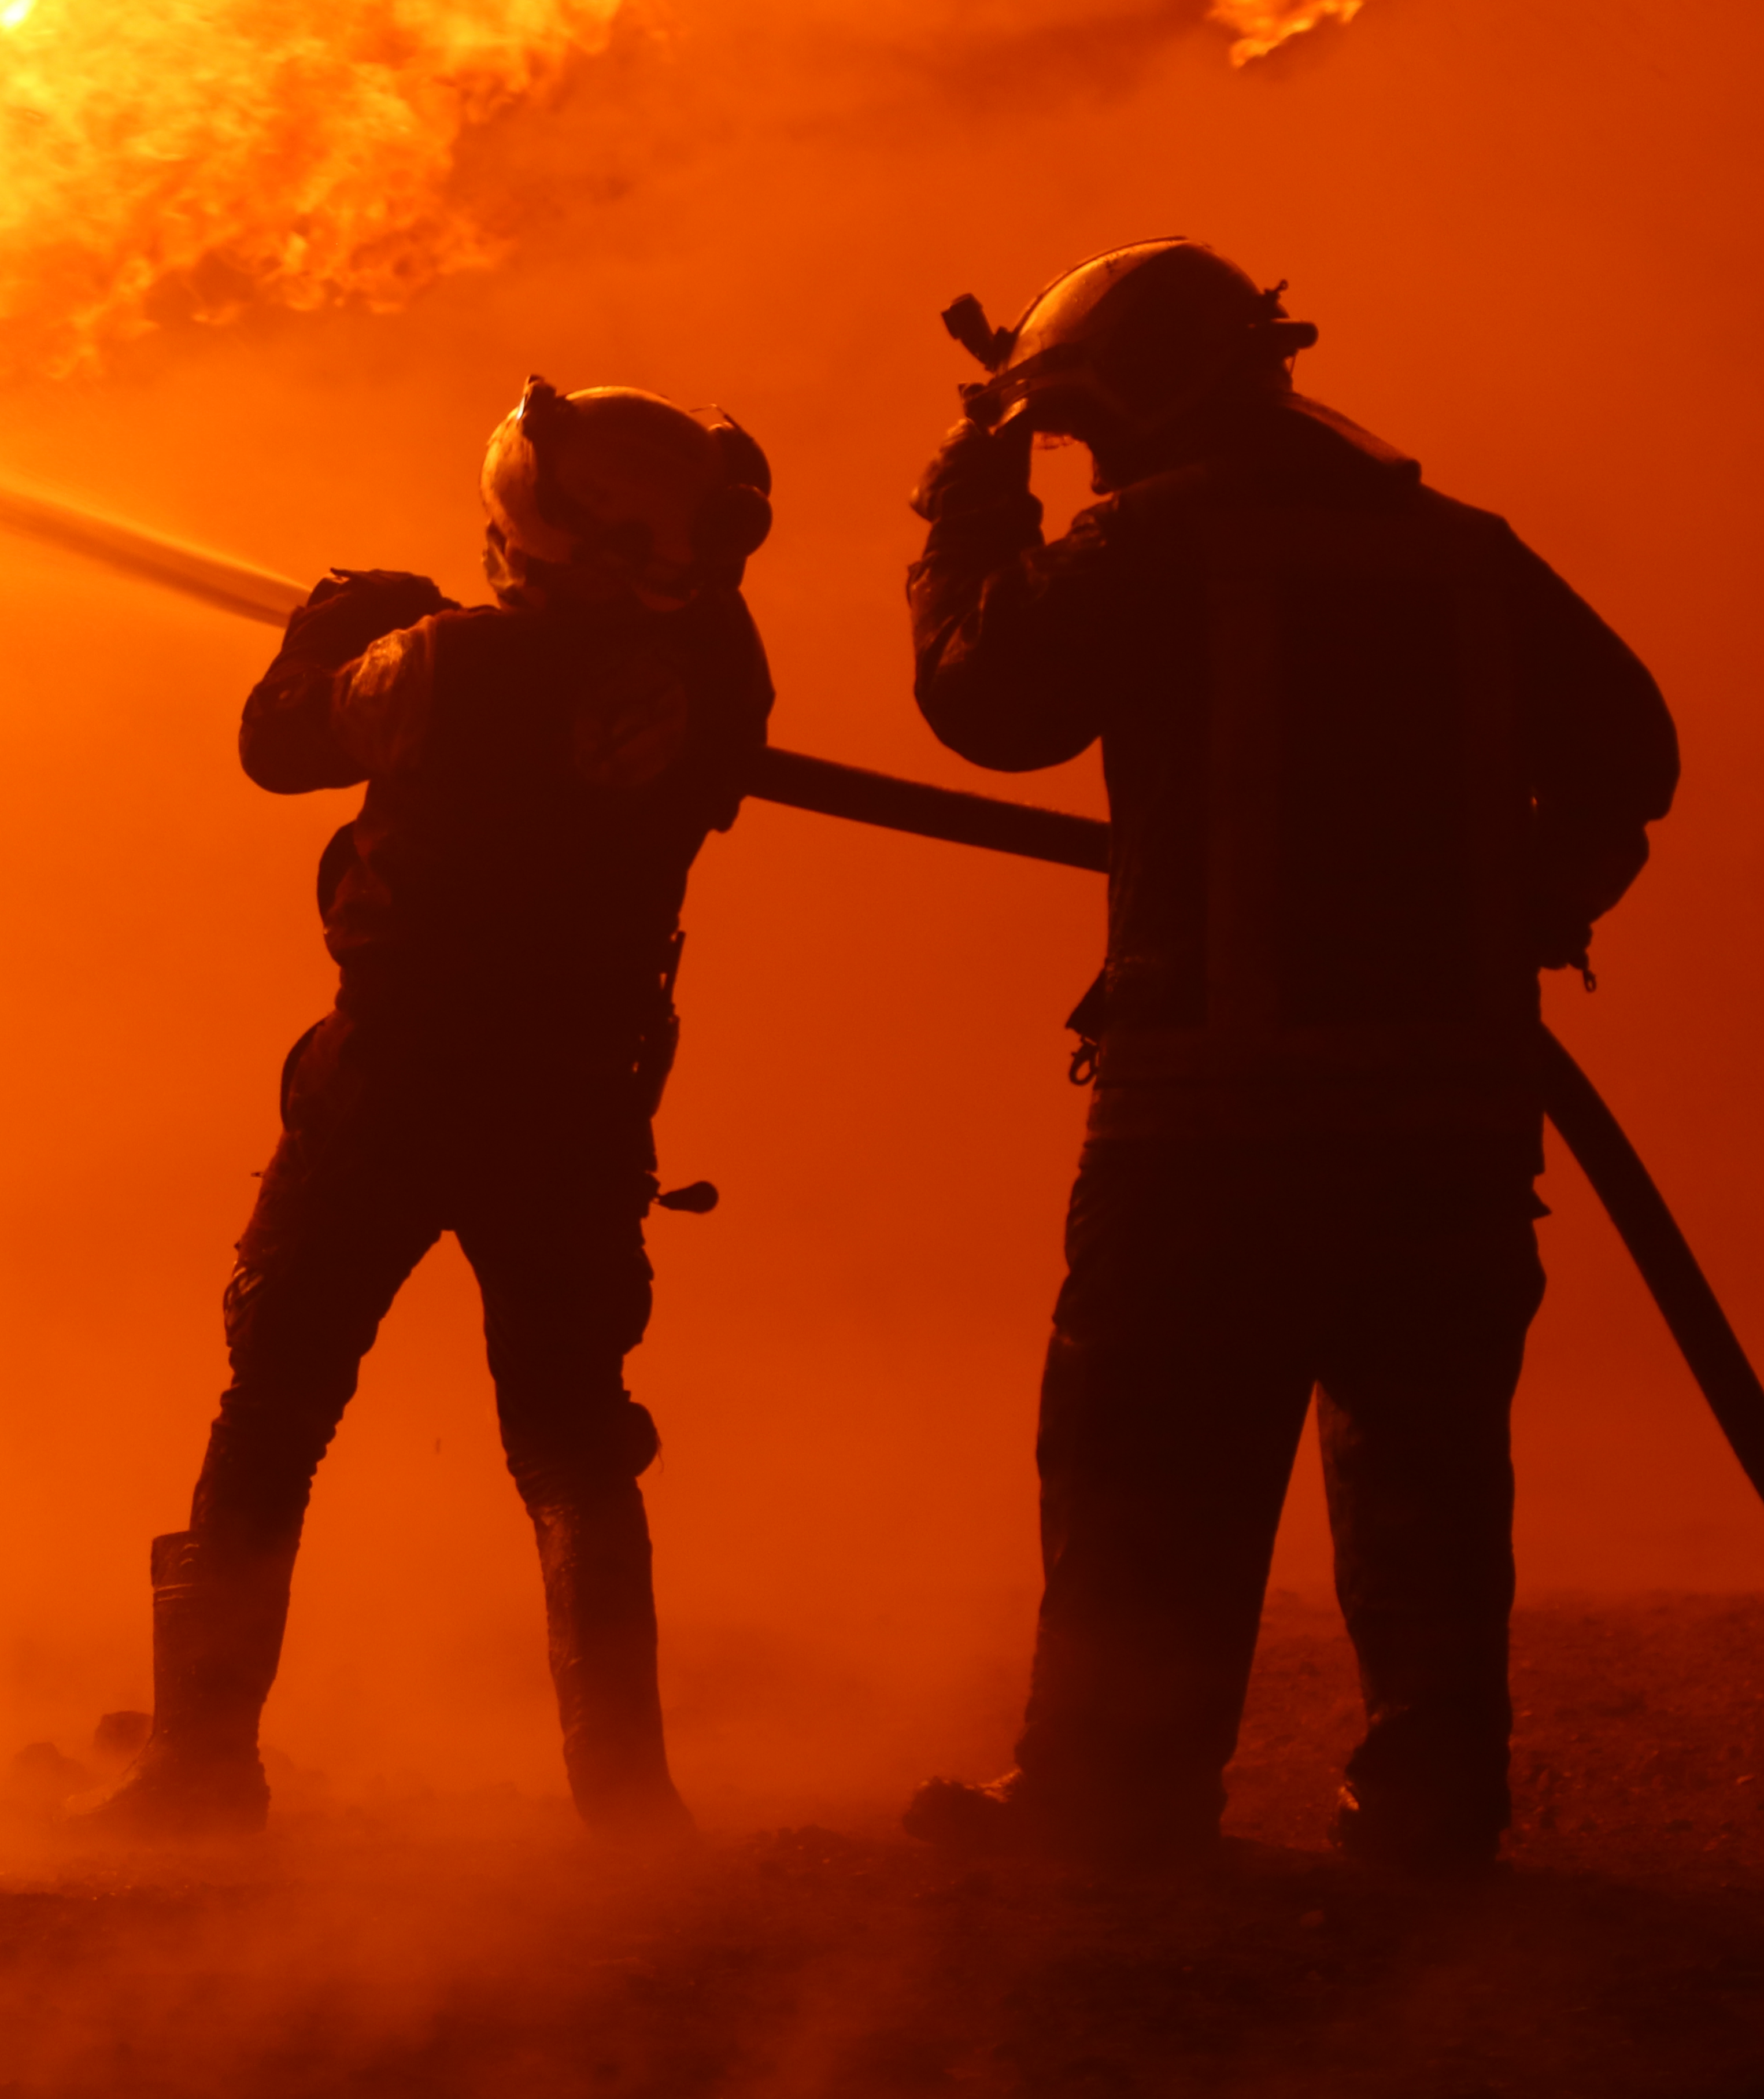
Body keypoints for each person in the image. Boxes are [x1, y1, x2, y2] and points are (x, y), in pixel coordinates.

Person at [901, 240, 1680, 1875]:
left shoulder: (1147, 544)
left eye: (1079, 427)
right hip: (1453, 1115)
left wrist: (969, 513)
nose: (1084, 462)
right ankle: (1429, 1804)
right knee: (1426, 1465)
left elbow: (988, 703)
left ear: (1141, 399)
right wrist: (1530, 901)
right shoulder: (1464, 552)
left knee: (1147, 1459)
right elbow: (1632, 750)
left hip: (1210, 1122)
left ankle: (1111, 1802)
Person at [89, 377, 777, 1838]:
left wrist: (337, 625)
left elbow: (278, 741)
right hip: (582, 1100)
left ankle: (201, 1766)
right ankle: (627, 1799)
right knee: (573, 1436)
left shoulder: (443, 666)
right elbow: (684, 633)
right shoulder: (717, 681)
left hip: (394, 1088)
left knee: (274, 1409)